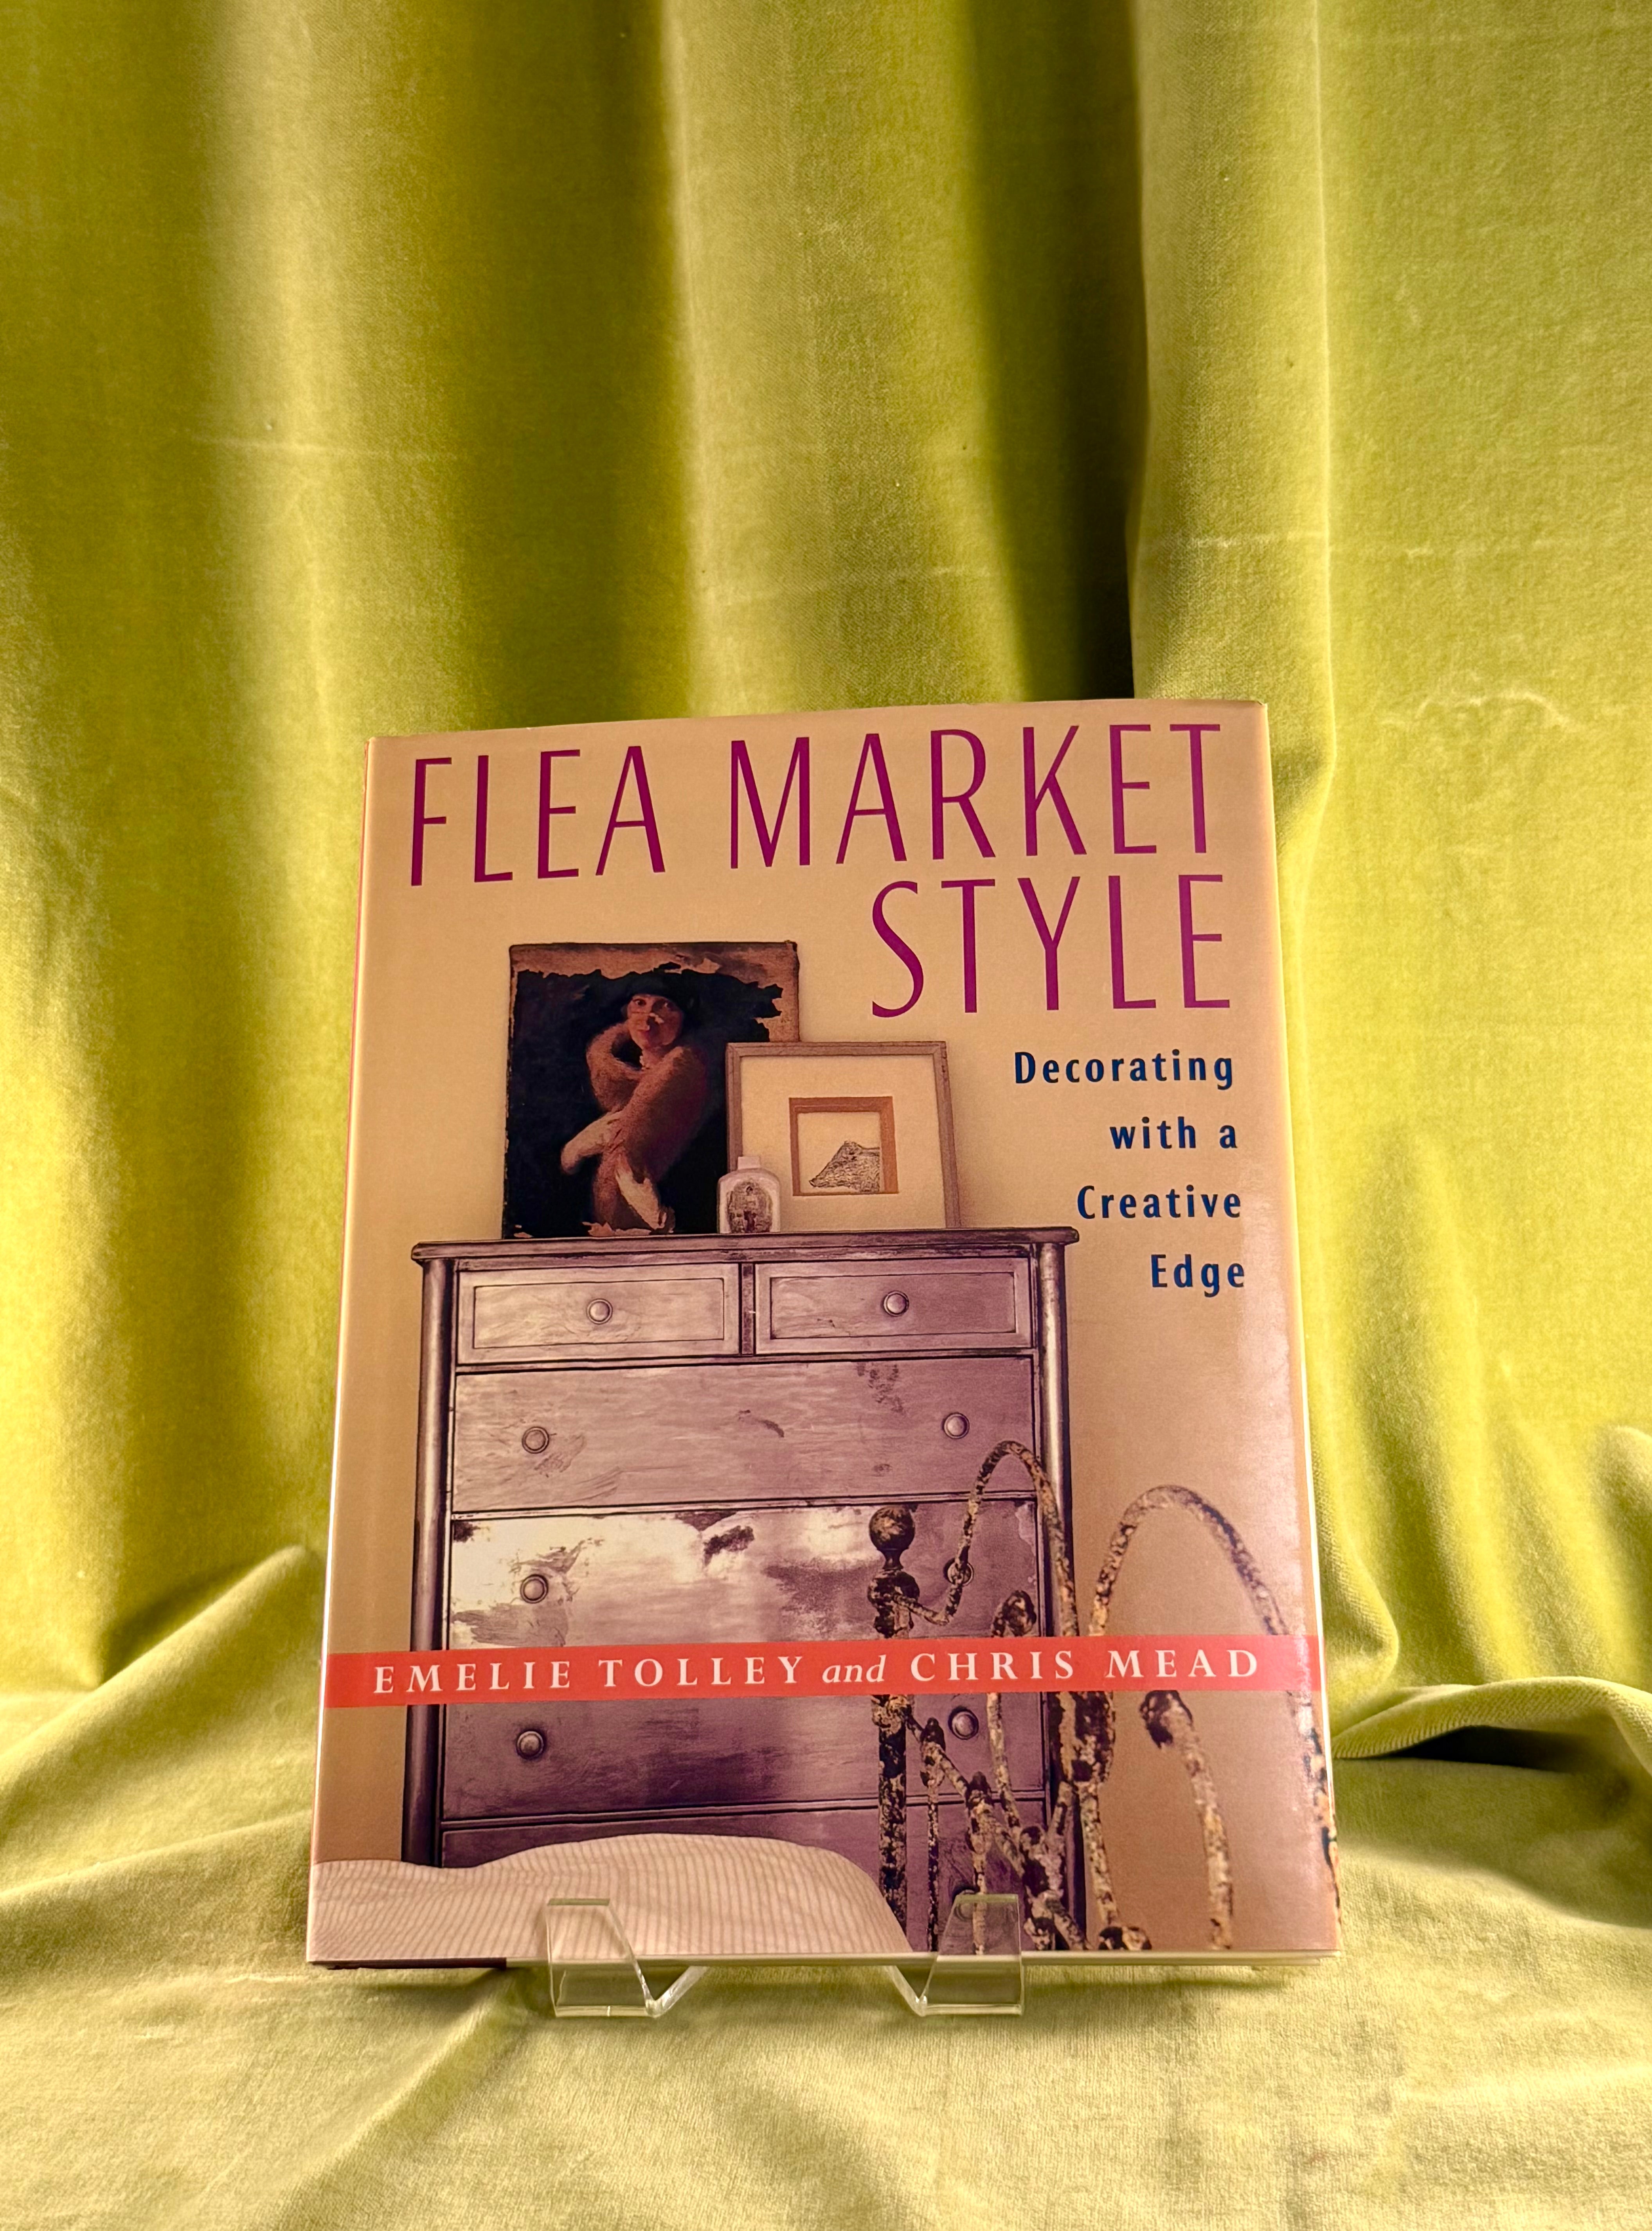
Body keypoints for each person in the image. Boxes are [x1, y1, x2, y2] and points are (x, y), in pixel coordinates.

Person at [559, 986, 712, 1232]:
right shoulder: (607, 1074)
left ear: (684, 1017)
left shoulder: (688, 1080)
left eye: (665, 1006)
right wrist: (575, 1149)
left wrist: (655, 1216)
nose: (648, 1019)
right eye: (640, 1003)